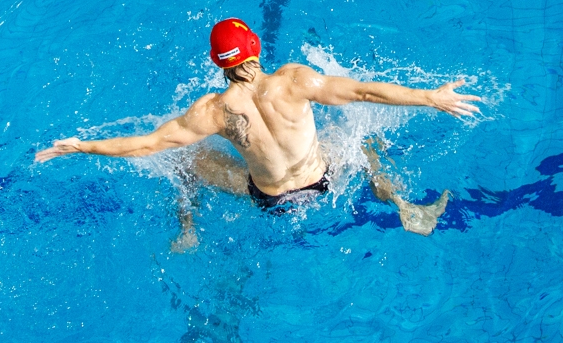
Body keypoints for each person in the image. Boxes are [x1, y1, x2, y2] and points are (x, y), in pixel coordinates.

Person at [34, 18, 481, 251]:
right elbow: (366, 92)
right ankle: (404, 205)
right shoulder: (295, 81)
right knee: (362, 145)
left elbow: (148, 144)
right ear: (256, 48)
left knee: (184, 160)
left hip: (270, 203)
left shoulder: (213, 111)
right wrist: (430, 97)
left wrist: (81, 146)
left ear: (218, 63)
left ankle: (188, 230)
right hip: (323, 183)